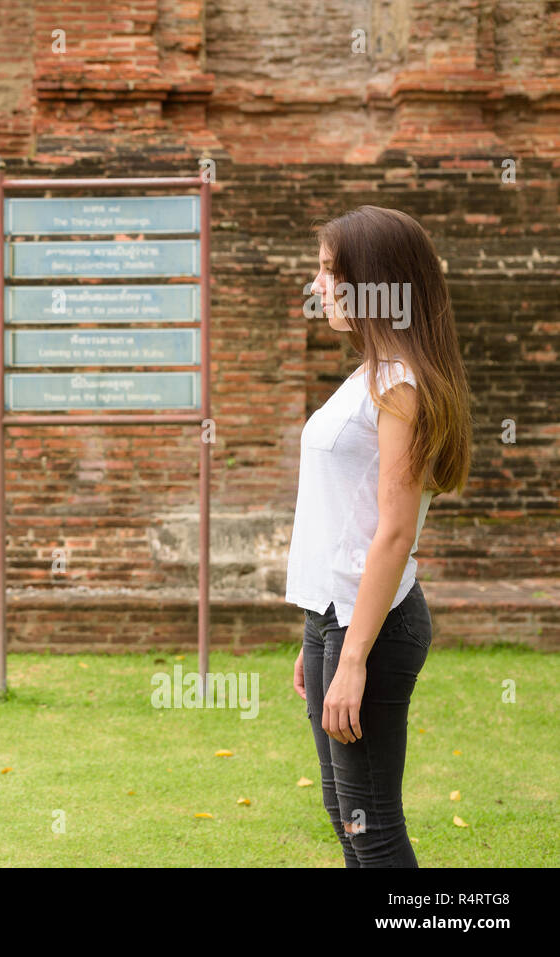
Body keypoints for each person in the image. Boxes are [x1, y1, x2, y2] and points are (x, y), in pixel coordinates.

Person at [288, 205, 472, 867]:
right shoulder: (373, 373)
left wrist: (354, 656)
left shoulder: (399, 385)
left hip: (373, 628)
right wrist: (319, 634)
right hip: (335, 616)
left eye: (329, 270)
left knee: (373, 828)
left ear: (374, 281)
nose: (317, 285)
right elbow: (347, 517)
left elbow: (394, 532)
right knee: (347, 818)